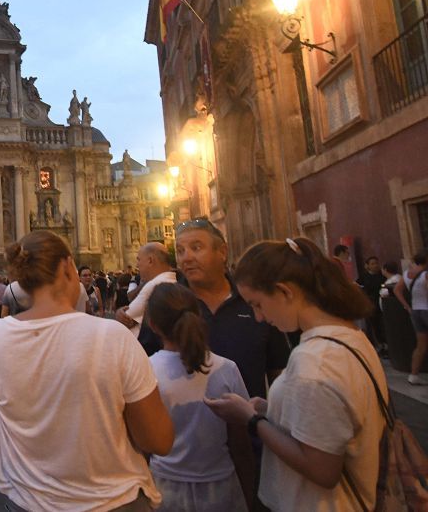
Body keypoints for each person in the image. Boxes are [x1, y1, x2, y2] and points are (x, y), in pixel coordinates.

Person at [0, 231, 173, 510]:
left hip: (28, 501)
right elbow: (157, 440)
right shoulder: (111, 336)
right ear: (66, 268)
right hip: (110, 501)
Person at [206, 237, 385, 511]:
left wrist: (251, 420)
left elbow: (322, 469)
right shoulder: (350, 336)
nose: (259, 318)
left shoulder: (315, 363)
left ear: (285, 292)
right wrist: (271, 409)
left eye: (257, 304)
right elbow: (329, 417)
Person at [146, 282, 253, 511]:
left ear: (153, 325)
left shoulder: (145, 371)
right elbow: (240, 443)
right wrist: (250, 494)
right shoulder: (227, 369)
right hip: (221, 487)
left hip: (165, 489)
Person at [175, 218, 290, 400]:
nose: (186, 257)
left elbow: (279, 368)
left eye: (196, 248)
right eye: (180, 251)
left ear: (222, 251)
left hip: (249, 422)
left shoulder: (255, 300)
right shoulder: (169, 304)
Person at [117, 242, 178, 339]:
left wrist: (118, 313)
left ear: (150, 260)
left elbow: (124, 321)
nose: (137, 265)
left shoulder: (153, 285)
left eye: (139, 260)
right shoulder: (172, 280)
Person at [395, 251, 428, 385]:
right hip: (426, 309)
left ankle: (413, 375)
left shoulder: (407, 275)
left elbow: (397, 289)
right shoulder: (425, 274)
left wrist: (407, 306)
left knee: (421, 346)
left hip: (415, 311)